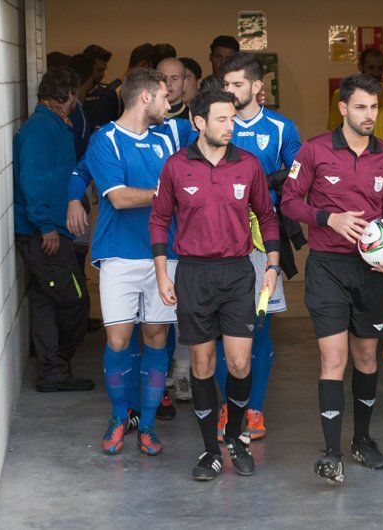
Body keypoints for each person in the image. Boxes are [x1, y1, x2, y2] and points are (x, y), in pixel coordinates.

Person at [150, 88, 280, 480]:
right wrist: (161, 271)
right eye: (221, 120)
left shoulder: (249, 165)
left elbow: (268, 216)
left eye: (233, 119)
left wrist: (272, 264)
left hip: (239, 272)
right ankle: (211, 450)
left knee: (240, 362)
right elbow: (158, 220)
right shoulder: (175, 166)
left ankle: (236, 436)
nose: (230, 127)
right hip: (193, 274)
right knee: (203, 365)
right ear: (198, 122)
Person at [282, 74, 383, 484]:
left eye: (373, 107)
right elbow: (289, 202)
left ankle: (363, 440)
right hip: (328, 269)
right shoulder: (315, 150)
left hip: (370, 273)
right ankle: (332, 452)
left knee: (367, 358)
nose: (369, 116)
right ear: (343, 108)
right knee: (333, 359)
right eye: (360, 107)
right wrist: (328, 218)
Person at [82, 68, 178, 456]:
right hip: (119, 255)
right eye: (164, 97)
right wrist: (166, 194)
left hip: (164, 255)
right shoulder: (105, 139)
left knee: (156, 338)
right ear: (145, 99)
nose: (169, 104)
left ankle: (149, 426)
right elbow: (118, 198)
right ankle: (119, 416)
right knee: (119, 340)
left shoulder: (168, 137)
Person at [215, 52, 302, 441]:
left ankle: (253, 409)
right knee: (222, 330)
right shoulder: (214, 125)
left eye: (237, 85)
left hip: (260, 244)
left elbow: (300, 174)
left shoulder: (281, 127)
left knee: (260, 327)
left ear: (256, 87)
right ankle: (226, 407)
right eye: (226, 85)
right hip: (215, 244)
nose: (231, 92)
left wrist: (267, 182)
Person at [13, 67, 91, 393]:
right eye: (76, 94)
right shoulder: (41, 129)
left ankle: (51, 372)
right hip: (44, 235)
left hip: (51, 231)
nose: (77, 101)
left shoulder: (56, 125)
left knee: (46, 301)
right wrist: (46, 226)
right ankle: (55, 366)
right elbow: (33, 180)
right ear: (68, 94)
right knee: (75, 301)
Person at [327, 48, 383, 131]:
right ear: (360, 67)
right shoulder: (341, 94)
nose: (376, 73)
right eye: (371, 68)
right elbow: (334, 130)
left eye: (380, 68)